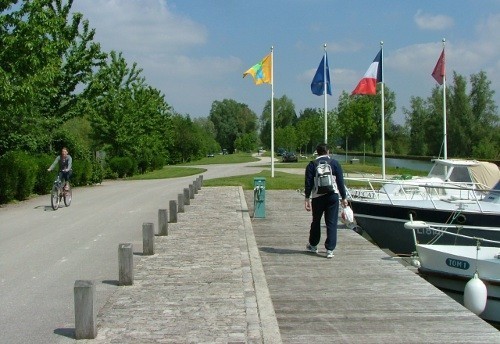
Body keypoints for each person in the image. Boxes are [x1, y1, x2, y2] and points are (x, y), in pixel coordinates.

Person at [304, 143, 348, 258]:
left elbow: (308, 184)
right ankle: (329, 250)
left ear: (317, 152)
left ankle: (313, 245)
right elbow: (340, 182)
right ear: (328, 152)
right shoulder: (334, 163)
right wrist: (344, 197)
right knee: (332, 222)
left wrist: (307, 198)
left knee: (316, 221)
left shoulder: (312, 165)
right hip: (332, 196)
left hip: (317, 197)